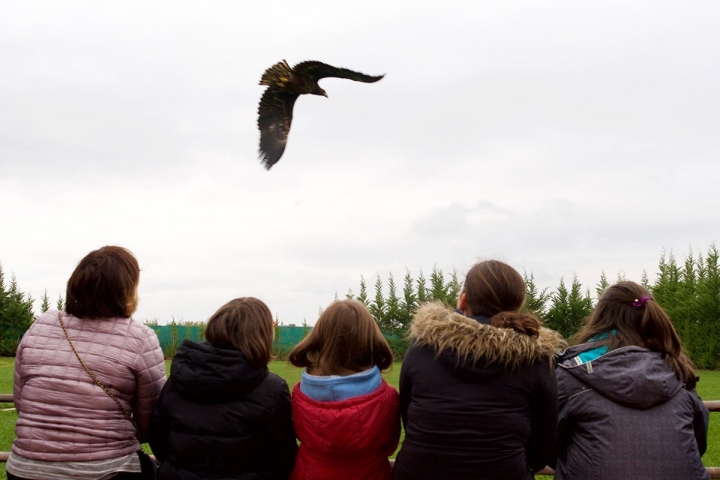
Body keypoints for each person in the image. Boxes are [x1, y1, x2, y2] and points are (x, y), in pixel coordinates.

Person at [393, 259, 565, 480]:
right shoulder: (536, 361)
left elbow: (410, 419)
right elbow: (542, 449)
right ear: (517, 306)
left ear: (463, 300)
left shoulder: (421, 349)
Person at [7, 246, 166, 480]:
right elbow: (152, 419)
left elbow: (22, 402)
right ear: (127, 290)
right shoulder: (140, 337)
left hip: (25, 469)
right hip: (107, 470)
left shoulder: (41, 325)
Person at [553, 281, 710, 480]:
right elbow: (698, 439)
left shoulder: (572, 372)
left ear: (600, 316)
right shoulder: (678, 371)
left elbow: (549, 445)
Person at [149, 297, 297, 480]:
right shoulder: (272, 389)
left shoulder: (178, 379)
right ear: (262, 336)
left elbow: (158, 438)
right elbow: (283, 457)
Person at [287, 299, 400, 480]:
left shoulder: (299, 394)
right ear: (369, 338)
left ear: (320, 336)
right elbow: (390, 447)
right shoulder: (388, 397)